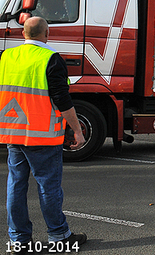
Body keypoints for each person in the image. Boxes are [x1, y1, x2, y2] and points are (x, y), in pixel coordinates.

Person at [0, 17, 87, 253]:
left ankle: (19, 240)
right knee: (48, 186)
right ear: (46, 33)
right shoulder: (50, 58)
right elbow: (61, 98)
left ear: (23, 34)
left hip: (12, 132)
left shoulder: (6, 57)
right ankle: (59, 236)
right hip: (42, 136)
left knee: (16, 185)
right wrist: (77, 129)